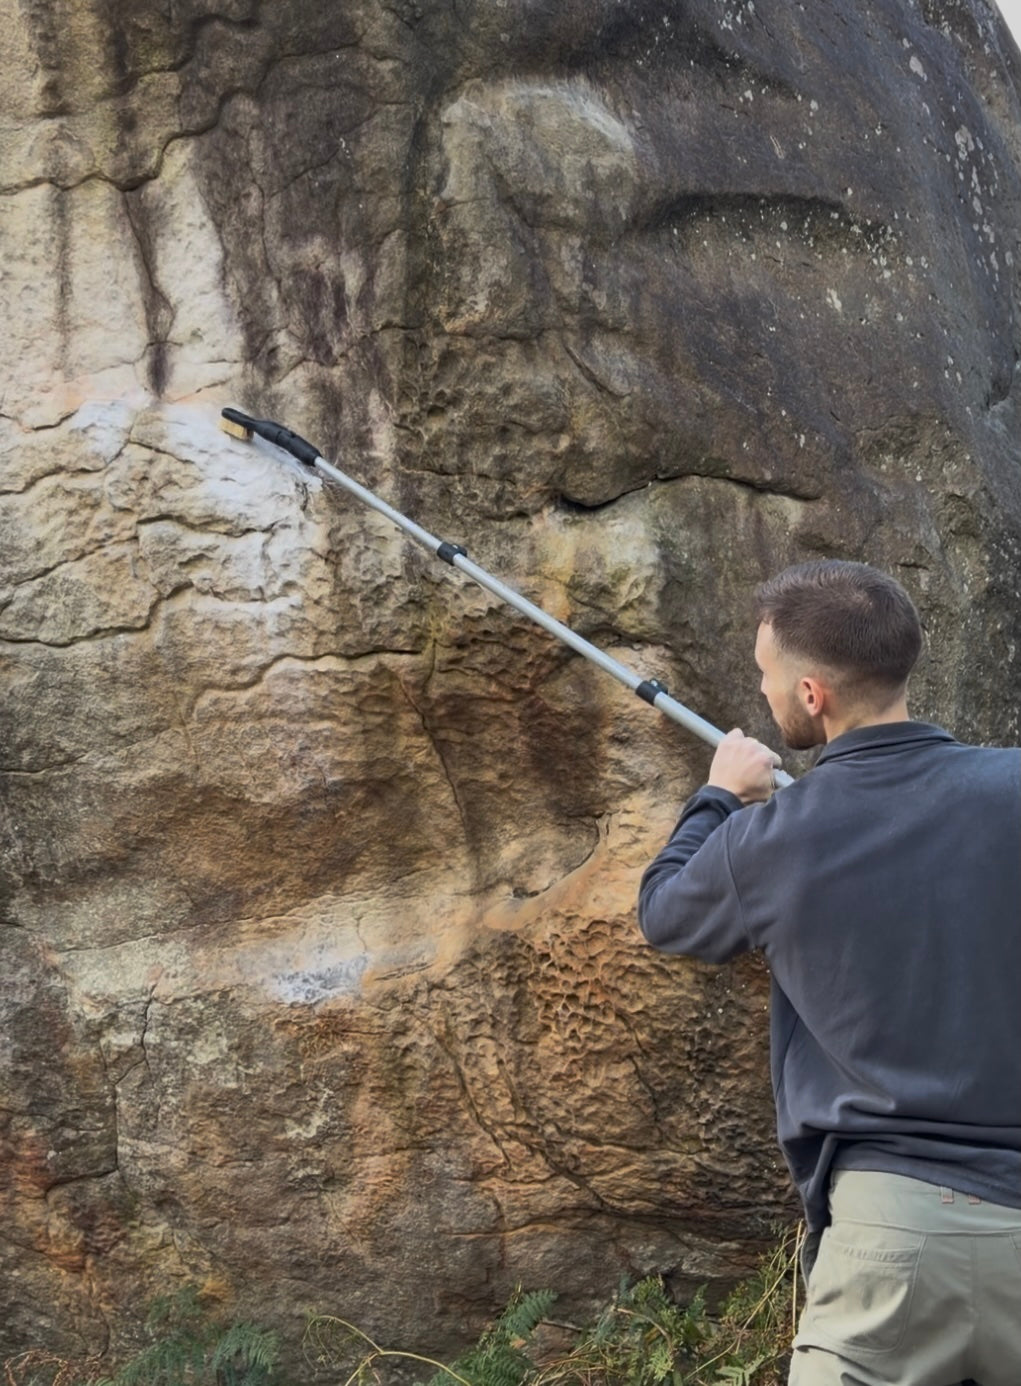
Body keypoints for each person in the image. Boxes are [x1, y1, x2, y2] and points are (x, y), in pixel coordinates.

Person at [637, 560, 1021, 1386]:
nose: (767, 696)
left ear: (812, 695)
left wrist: (717, 798)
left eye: (767, 678)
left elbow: (665, 912)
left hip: (892, 1246)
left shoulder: (771, 838)